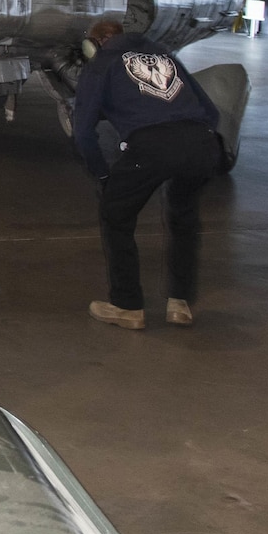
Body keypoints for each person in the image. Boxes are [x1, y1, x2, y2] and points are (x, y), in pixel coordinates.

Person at [71, 18, 221, 330]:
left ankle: (127, 306)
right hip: (201, 143)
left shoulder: (102, 63)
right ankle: (180, 303)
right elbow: (211, 111)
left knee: (116, 215)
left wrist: (102, 177)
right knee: (183, 217)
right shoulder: (166, 56)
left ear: (94, 44)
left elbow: (83, 133)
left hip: (151, 146)